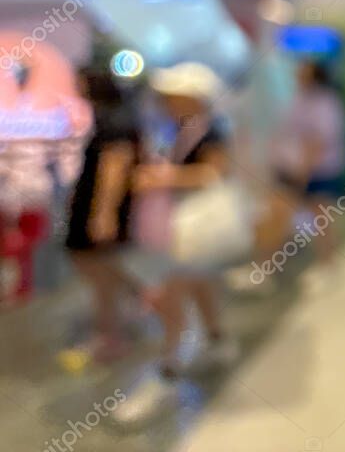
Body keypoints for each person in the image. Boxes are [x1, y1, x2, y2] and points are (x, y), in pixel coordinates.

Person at [114, 62, 239, 425]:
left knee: (171, 302)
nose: (166, 103)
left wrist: (165, 177)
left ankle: (165, 375)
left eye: (173, 97)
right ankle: (217, 341)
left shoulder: (209, 131)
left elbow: (215, 172)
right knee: (199, 287)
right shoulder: (183, 130)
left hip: (193, 230)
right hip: (184, 229)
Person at [63, 70, 141, 364]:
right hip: (94, 205)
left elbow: (114, 167)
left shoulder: (112, 121)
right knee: (101, 270)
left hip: (98, 208)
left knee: (100, 275)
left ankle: (111, 337)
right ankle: (133, 304)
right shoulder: (109, 117)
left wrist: (103, 212)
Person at [271, 60, 345, 282]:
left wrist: (304, 171)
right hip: (295, 167)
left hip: (321, 169)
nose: (298, 76)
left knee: (321, 217)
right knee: (283, 213)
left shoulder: (326, 103)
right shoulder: (299, 100)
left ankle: (328, 265)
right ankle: (268, 267)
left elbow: (319, 140)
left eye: (303, 73)